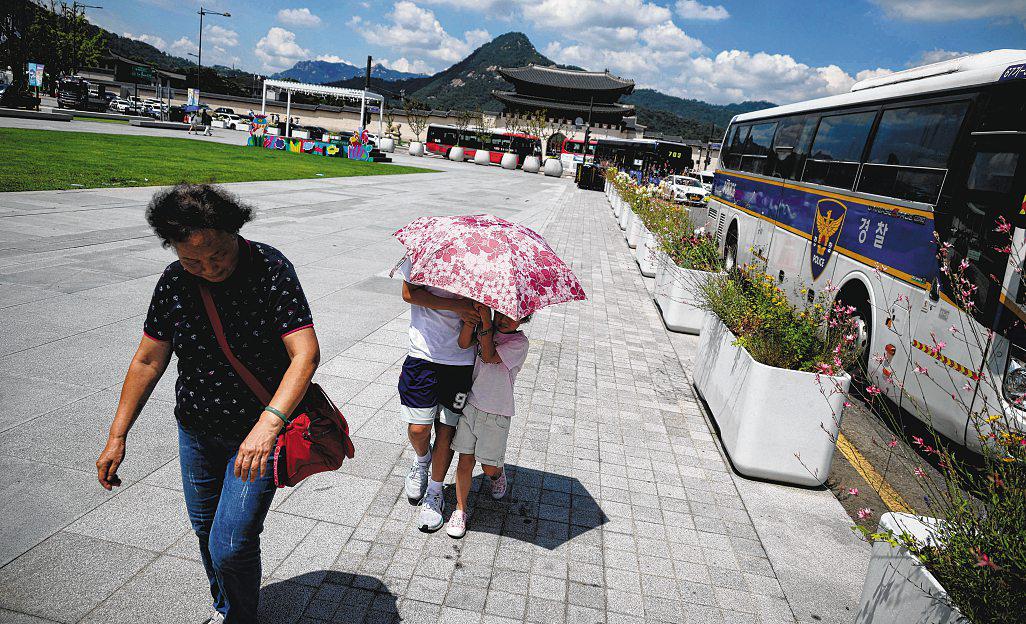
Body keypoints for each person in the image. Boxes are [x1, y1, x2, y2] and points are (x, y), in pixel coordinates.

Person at [95, 184, 319, 624]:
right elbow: (147, 359)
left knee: (231, 541)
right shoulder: (175, 281)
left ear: (233, 231)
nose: (208, 268)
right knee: (205, 530)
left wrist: (268, 425)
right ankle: (227, 605)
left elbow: (305, 354)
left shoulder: (270, 268)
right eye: (191, 259)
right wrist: (117, 435)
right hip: (195, 430)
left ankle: (240, 618)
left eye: (217, 254)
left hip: (257, 435)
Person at [396, 257, 478, 531]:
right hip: (423, 355)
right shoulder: (424, 255)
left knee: (447, 431)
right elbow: (409, 293)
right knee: (419, 429)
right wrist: (458, 304)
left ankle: (435, 491)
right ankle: (421, 461)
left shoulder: (482, 266)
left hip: (461, 361)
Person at [446, 303, 530, 538]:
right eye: (500, 313)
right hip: (471, 405)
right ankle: (460, 510)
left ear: (524, 320)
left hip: (497, 412)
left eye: (512, 317)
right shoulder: (486, 327)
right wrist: (475, 320)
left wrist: (486, 323)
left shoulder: (519, 344)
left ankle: (497, 473)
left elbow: (491, 356)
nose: (503, 319)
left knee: (488, 466)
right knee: (465, 461)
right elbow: (463, 344)